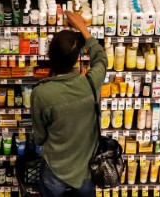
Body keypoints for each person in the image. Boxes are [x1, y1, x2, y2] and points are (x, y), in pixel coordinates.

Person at [31, 10, 108, 197]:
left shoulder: (41, 93)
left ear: (49, 55)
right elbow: (101, 58)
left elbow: (40, 137)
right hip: (85, 170)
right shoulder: (90, 83)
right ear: (77, 59)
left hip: (55, 169)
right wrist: (82, 27)